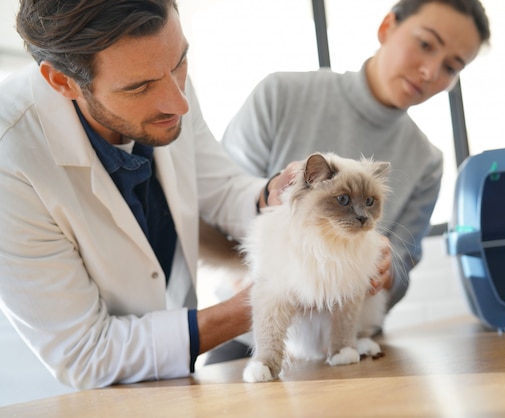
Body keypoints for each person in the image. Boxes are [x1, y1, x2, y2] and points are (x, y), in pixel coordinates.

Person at [0, 0, 289, 390]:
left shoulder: (158, 72)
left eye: (180, 62)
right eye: (139, 87)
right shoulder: (11, 155)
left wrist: (277, 196)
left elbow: (221, 188)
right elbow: (86, 352)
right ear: (63, 82)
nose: (180, 103)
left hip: (175, 386)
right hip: (75, 399)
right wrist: (268, 301)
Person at [221, 0, 491, 324]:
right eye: (425, 44)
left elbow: (402, 273)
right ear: (386, 27)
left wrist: (386, 270)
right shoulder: (279, 95)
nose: (430, 71)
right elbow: (218, 205)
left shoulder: (428, 161)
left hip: (345, 334)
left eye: (451, 66)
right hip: (250, 324)